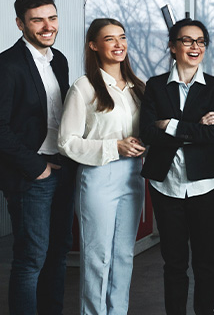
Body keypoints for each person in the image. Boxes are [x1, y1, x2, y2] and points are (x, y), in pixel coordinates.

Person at [58, 18, 147, 314]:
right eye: (110, 39)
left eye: (121, 37)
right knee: (98, 258)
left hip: (133, 177)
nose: (118, 44)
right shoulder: (83, 88)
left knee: (124, 255)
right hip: (98, 177)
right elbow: (67, 142)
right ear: (94, 46)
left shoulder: (139, 87)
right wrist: (114, 146)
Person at [140, 18, 214, 315]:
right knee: (174, 262)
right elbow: (148, 133)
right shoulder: (154, 86)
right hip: (166, 184)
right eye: (187, 40)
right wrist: (193, 127)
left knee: (205, 261)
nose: (195, 47)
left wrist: (171, 125)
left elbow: (212, 134)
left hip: (205, 185)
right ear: (172, 46)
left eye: (201, 41)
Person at [0, 0, 76, 315]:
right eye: (37, 20)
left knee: (58, 253)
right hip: (32, 174)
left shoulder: (59, 60)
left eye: (52, 17)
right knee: (31, 259)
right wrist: (37, 167)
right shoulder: (7, 65)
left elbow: (61, 116)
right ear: (20, 23)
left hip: (63, 167)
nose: (47, 26)